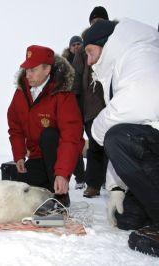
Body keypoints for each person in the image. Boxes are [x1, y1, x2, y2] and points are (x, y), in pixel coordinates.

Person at [84, 18, 159, 257]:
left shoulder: (140, 52)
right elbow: (127, 123)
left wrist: (97, 130)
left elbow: (144, 99)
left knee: (116, 136)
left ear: (105, 44)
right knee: (125, 216)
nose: (88, 60)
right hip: (151, 144)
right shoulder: (118, 67)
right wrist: (116, 187)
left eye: (89, 52)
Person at [7, 45, 84, 207]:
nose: (27, 75)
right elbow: (15, 127)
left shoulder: (62, 95)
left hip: (62, 157)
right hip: (37, 157)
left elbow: (71, 137)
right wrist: (19, 155)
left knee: (49, 135)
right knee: (18, 190)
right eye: (26, 69)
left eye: (32, 70)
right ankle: (48, 188)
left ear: (47, 69)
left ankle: (61, 196)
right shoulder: (21, 92)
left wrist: (62, 174)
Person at [72, 6, 110, 198]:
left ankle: (115, 184)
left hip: (111, 102)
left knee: (113, 144)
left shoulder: (114, 41)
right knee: (95, 145)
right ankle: (93, 184)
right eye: (93, 21)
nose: (97, 24)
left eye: (100, 21)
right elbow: (77, 77)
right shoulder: (83, 48)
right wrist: (75, 103)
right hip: (90, 106)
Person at [62, 35, 86, 190]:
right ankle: (76, 177)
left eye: (79, 44)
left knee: (81, 142)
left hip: (85, 106)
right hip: (69, 107)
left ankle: (85, 178)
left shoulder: (87, 60)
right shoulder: (63, 65)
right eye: (73, 45)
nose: (76, 47)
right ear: (70, 48)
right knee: (71, 140)